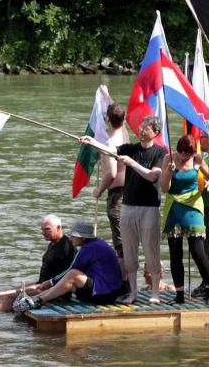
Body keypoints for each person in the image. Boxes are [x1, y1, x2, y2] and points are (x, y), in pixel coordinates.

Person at [79, 115, 167, 304]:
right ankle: (133, 293)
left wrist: (132, 163)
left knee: (152, 251)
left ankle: (155, 294)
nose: (142, 130)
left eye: (147, 128)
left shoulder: (160, 153)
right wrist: (92, 141)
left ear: (155, 133)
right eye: (142, 126)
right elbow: (110, 150)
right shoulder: (131, 149)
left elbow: (153, 176)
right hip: (128, 207)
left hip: (149, 209)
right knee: (129, 252)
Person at [160, 135, 209, 305]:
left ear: (193, 152)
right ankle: (179, 294)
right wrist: (168, 172)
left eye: (187, 154)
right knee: (175, 252)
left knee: (197, 250)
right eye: (181, 153)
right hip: (174, 205)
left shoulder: (197, 159)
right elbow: (164, 188)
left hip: (193, 205)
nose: (183, 157)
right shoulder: (168, 158)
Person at [13, 221, 122, 312]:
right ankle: (35, 299)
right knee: (66, 282)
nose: (71, 238)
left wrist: (49, 282)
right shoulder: (96, 244)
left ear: (82, 238)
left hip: (105, 295)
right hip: (108, 291)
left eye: (73, 236)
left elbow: (70, 271)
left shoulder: (88, 249)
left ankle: (38, 300)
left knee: (73, 274)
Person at [0, 215, 76, 312]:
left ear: (59, 228)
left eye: (47, 229)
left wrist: (49, 285)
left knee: (8, 296)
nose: (43, 233)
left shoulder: (66, 248)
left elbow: (69, 273)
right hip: (42, 285)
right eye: (42, 230)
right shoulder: (54, 243)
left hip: (55, 292)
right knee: (4, 294)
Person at [92, 102, 129, 282]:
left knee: (120, 242)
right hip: (130, 193)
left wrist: (99, 190)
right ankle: (128, 281)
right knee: (127, 239)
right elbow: (119, 117)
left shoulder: (110, 143)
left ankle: (125, 283)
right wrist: (107, 95)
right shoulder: (125, 134)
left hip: (116, 196)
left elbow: (112, 173)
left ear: (107, 118)